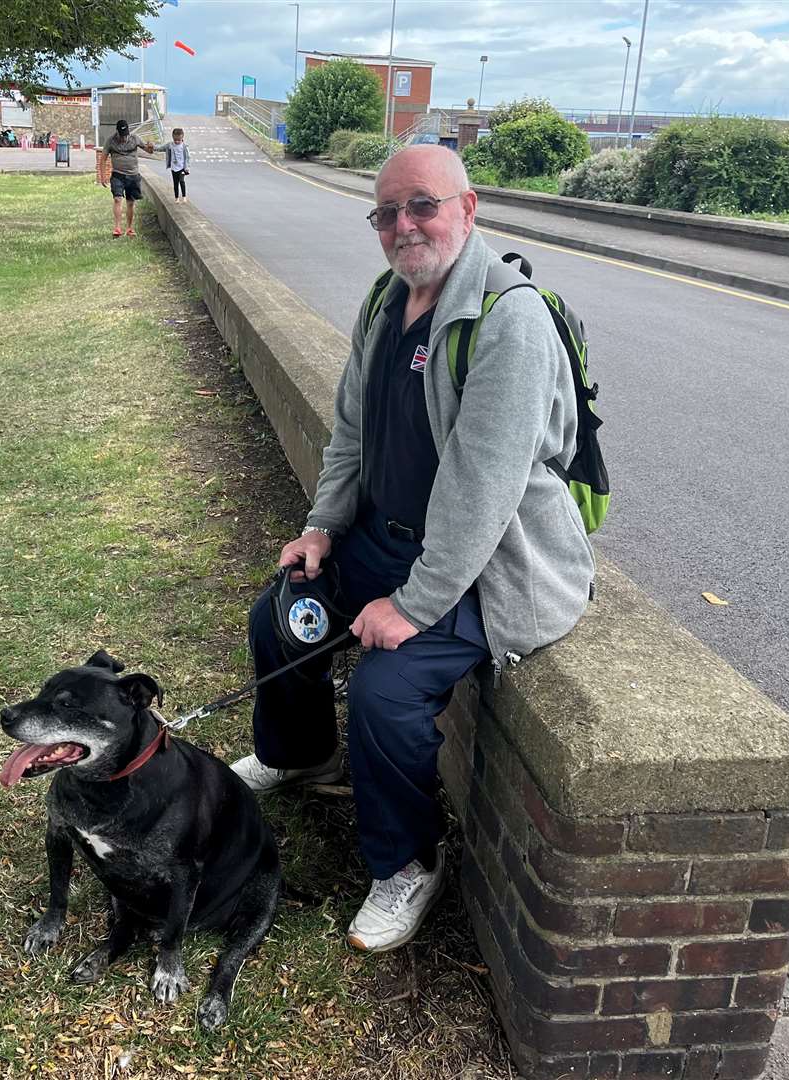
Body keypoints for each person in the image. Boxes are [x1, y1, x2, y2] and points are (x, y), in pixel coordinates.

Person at [229, 145, 594, 953]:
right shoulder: (384, 300)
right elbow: (353, 432)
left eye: (422, 205)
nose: (403, 226)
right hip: (382, 541)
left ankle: (407, 865)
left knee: (387, 698)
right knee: (281, 618)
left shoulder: (509, 321)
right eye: (386, 212)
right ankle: (299, 755)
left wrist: (414, 605)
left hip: (483, 568)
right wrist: (323, 526)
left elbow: (483, 489)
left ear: (468, 210)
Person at [100, 119, 154, 238]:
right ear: (117, 132)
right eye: (122, 135)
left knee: (130, 202)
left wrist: (151, 147)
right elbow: (103, 159)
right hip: (118, 175)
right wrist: (103, 176)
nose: (124, 138)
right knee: (117, 199)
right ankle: (117, 228)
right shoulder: (111, 141)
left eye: (126, 135)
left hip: (133, 175)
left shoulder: (135, 138)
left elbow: (149, 151)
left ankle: (129, 228)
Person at [157, 127, 191, 202]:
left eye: (179, 140)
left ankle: (184, 196)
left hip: (182, 167)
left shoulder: (184, 146)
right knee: (175, 183)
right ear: (173, 138)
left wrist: (187, 167)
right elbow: (160, 148)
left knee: (182, 181)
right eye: (175, 140)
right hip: (173, 168)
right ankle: (176, 198)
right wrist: (153, 147)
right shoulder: (170, 145)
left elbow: (188, 158)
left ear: (182, 138)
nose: (177, 142)